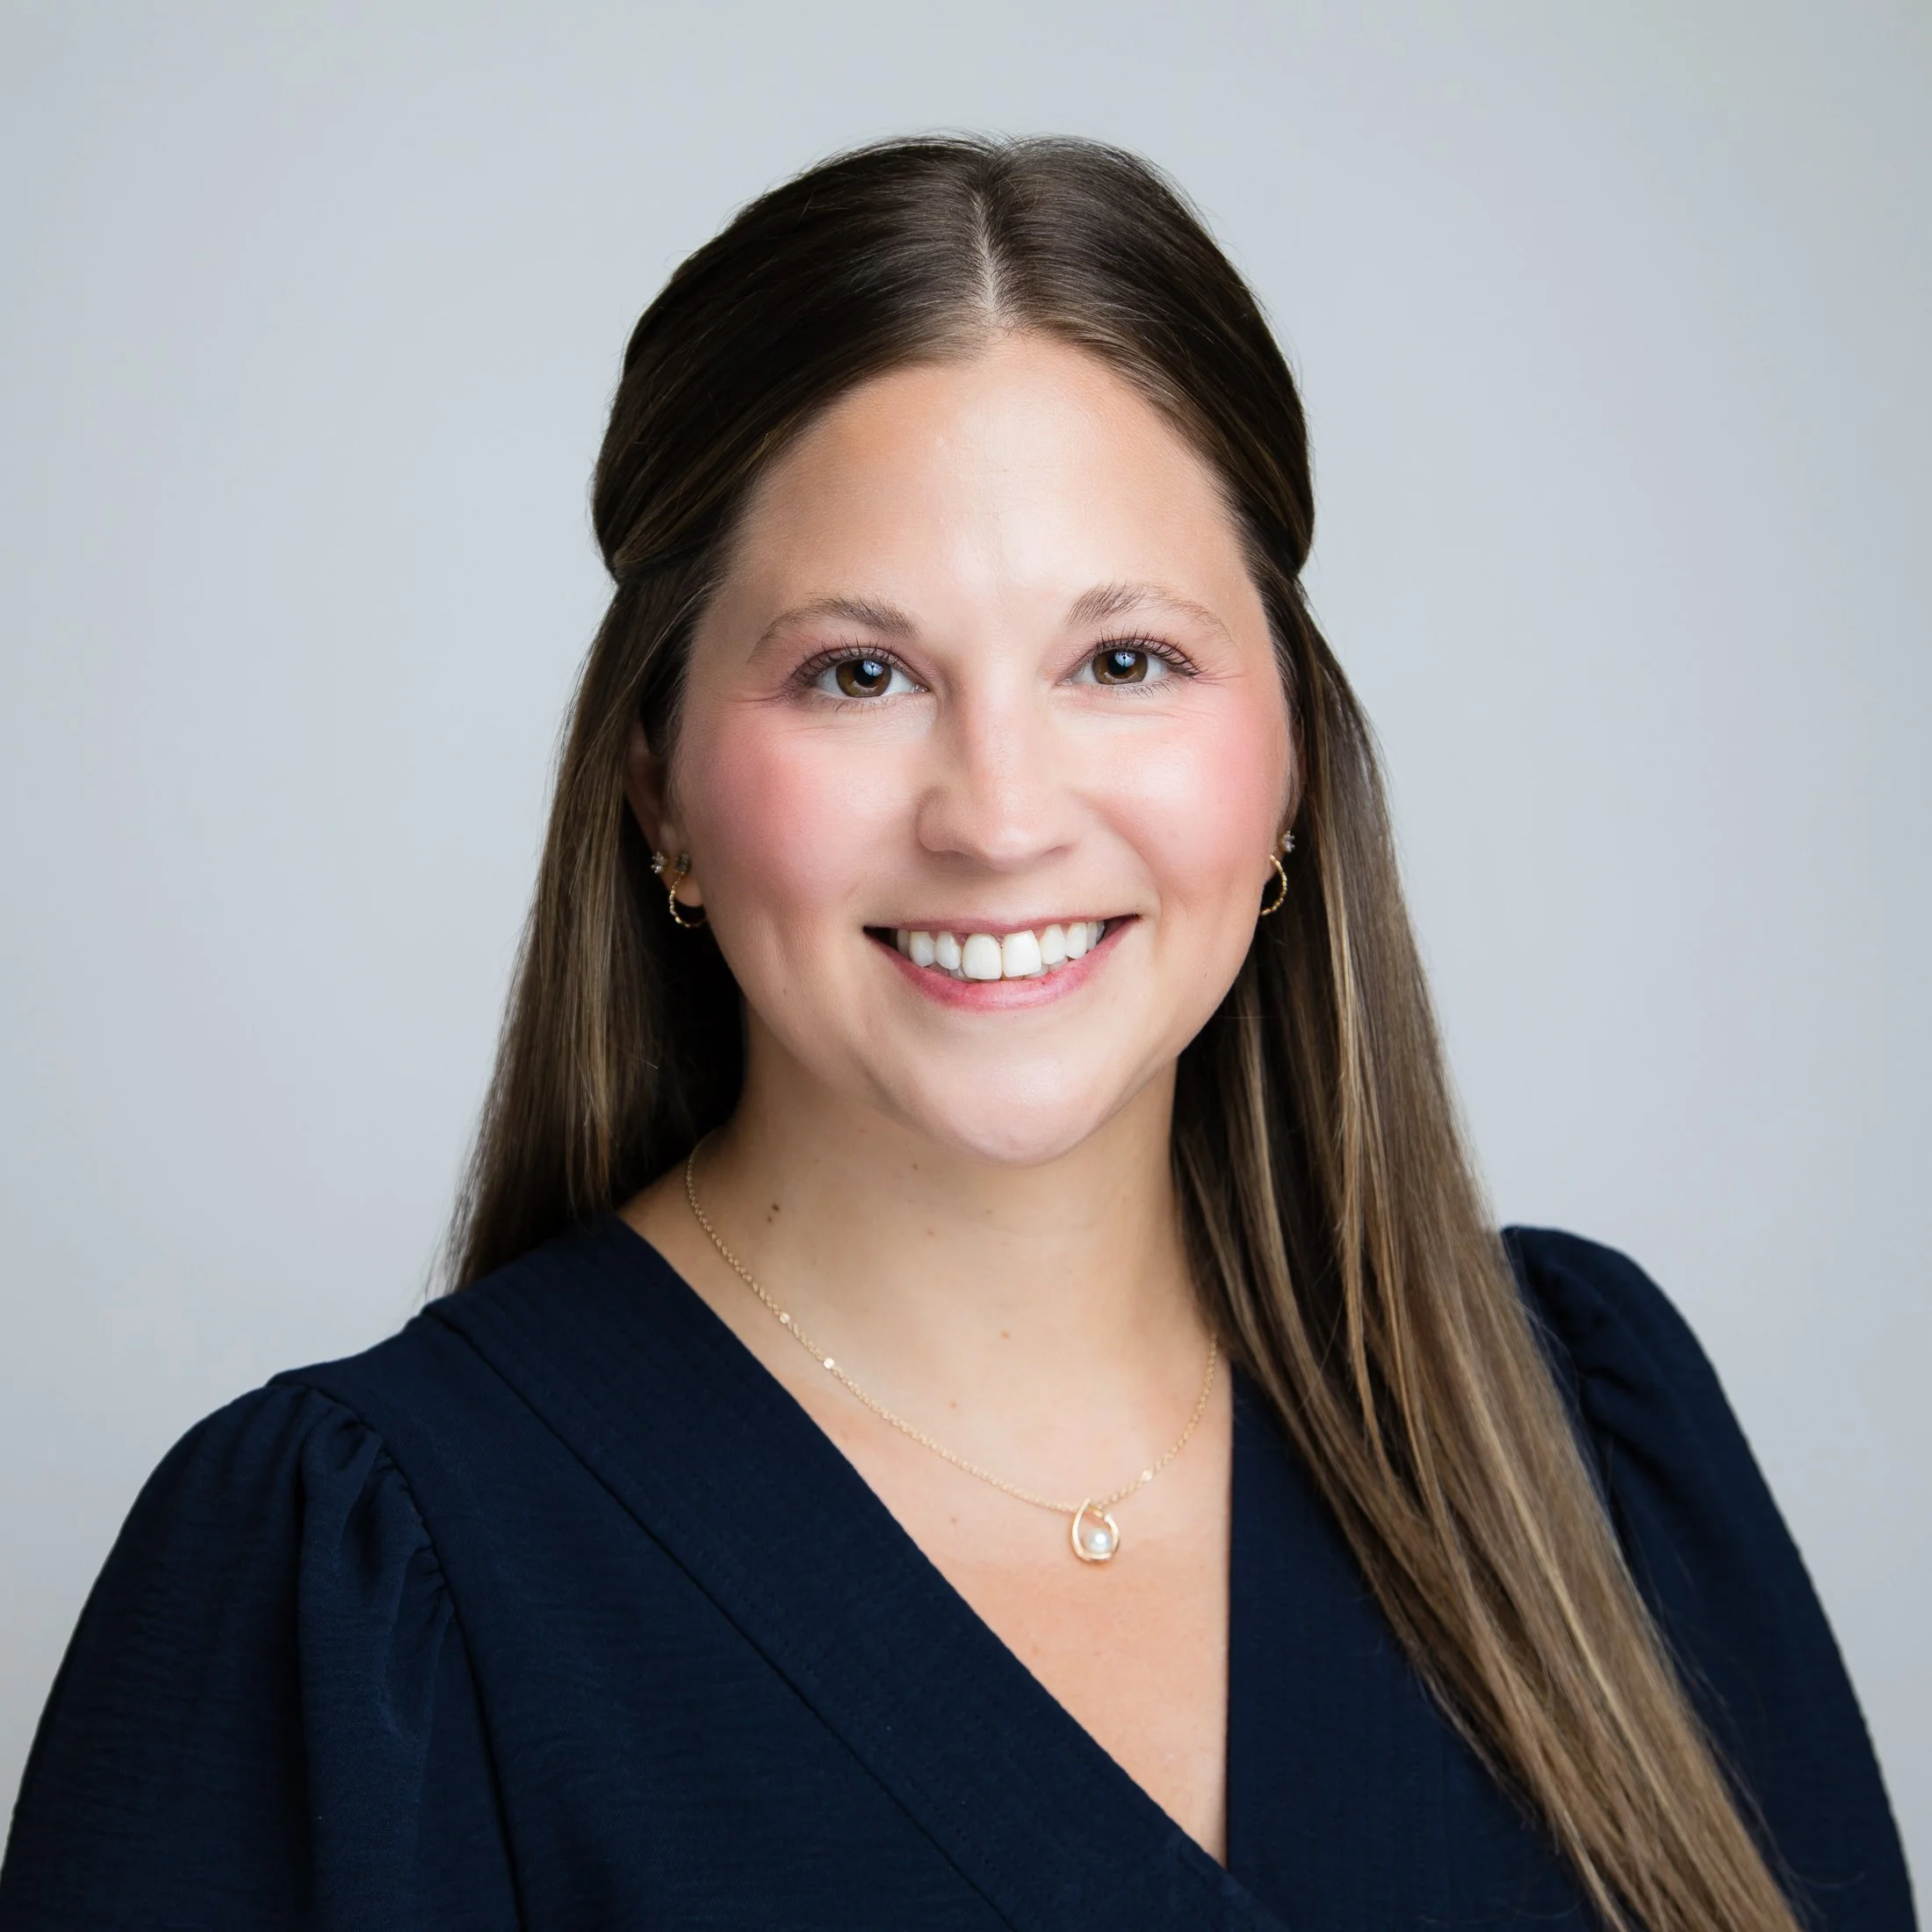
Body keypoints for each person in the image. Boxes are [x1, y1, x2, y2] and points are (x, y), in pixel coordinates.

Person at [0, 136, 1913, 1932]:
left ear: (1294, 764)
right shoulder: (358, 1577)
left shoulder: (1578, 1439)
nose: (998, 811)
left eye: (1122, 659)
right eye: (859, 670)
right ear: (656, 788)